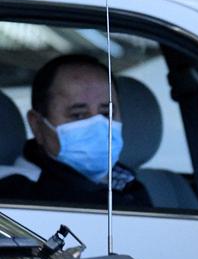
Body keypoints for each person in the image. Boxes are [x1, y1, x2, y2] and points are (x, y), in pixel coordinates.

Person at [0, 54, 150, 207]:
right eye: (78, 115)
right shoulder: (15, 197)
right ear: (37, 124)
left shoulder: (130, 187)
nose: (99, 125)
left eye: (107, 113)